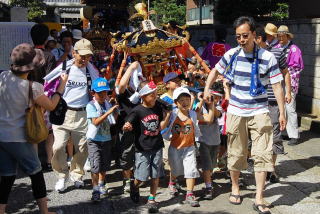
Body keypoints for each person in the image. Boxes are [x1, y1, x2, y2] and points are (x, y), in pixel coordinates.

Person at [203, 16, 286, 214]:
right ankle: (235, 187)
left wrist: (282, 112)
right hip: (236, 111)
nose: (241, 40)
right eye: (238, 36)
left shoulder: (268, 57)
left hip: (260, 111)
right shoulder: (232, 54)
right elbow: (215, 71)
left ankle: (259, 197)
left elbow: (276, 85)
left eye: (245, 36)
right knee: (236, 152)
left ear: (254, 35)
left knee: (262, 154)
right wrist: (207, 87)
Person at [0, 43, 67, 214]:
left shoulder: (2, 78)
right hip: (21, 138)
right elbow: (51, 106)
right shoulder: (33, 87)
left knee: (7, 176)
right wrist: (61, 87)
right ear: (31, 67)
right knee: (36, 173)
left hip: (3, 136)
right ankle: (44, 211)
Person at [46, 38, 99, 192]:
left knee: (83, 148)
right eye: (81, 55)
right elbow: (49, 86)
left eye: (88, 56)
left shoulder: (91, 70)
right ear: (73, 53)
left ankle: (77, 174)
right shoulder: (63, 68)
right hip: (63, 113)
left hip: (82, 114)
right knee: (57, 146)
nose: (85, 59)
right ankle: (62, 176)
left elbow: (97, 89)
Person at [123, 81, 171, 213]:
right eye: (151, 95)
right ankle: (134, 185)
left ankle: (152, 198)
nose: (155, 97)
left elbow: (160, 127)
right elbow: (128, 122)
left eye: (156, 94)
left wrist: (167, 117)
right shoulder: (137, 110)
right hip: (143, 149)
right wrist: (127, 126)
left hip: (156, 146)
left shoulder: (157, 108)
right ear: (143, 96)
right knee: (142, 178)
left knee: (155, 175)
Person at [162, 87, 214, 207]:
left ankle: (190, 194)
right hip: (175, 147)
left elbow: (209, 119)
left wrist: (211, 105)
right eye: (182, 100)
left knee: (191, 170)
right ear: (176, 103)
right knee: (175, 169)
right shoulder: (172, 114)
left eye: (187, 99)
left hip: (190, 147)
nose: (185, 102)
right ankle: (172, 181)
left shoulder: (193, 114)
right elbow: (162, 124)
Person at [255, 25, 292, 183]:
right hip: (256, 101)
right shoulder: (249, 54)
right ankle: (260, 166)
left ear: (259, 38)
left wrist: (288, 92)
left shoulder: (277, 52)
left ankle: (272, 169)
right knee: (257, 135)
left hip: (273, 100)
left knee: (275, 134)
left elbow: (286, 73)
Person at [86, 78, 118, 202]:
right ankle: (95, 190)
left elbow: (112, 122)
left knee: (104, 164)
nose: (103, 95)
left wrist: (114, 112)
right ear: (93, 93)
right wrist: (108, 112)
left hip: (106, 139)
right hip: (94, 140)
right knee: (95, 166)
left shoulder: (107, 104)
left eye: (105, 92)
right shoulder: (91, 105)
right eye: (100, 93)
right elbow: (95, 122)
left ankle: (101, 183)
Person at [275, 25, 304, 146]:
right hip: (277, 82)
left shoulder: (294, 49)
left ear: (287, 36)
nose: (280, 38)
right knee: (280, 107)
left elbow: (297, 68)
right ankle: (284, 132)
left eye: (282, 36)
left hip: (290, 82)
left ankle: (294, 135)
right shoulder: (276, 47)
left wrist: (285, 73)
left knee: (290, 107)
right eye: (279, 36)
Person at [116, 61, 141, 193]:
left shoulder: (141, 90)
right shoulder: (122, 91)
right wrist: (131, 68)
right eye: (132, 75)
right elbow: (121, 85)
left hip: (141, 128)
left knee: (140, 154)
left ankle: (137, 179)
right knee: (126, 154)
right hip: (126, 127)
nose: (135, 77)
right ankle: (127, 181)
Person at [197, 83, 223, 200]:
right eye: (213, 96)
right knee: (207, 165)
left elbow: (216, 115)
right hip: (203, 140)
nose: (215, 100)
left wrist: (212, 103)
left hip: (215, 140)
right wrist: (202, 100)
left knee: (212, 165)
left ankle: (208, 180)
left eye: (218, 98)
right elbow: (198, 114)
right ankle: (208, 186)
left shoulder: (217, 107)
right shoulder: (201, 106)